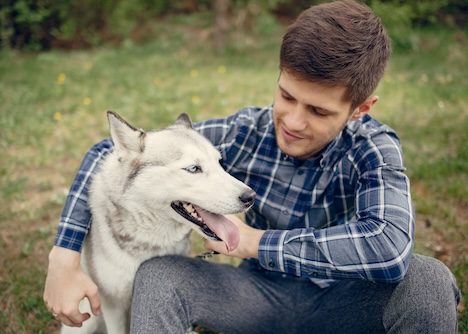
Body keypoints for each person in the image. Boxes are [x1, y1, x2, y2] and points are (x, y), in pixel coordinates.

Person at [43, 1, 460, 333]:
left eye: (317, 110)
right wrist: (63, 260)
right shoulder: (247, 130)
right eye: (286, 96)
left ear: (359, 109)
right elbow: (109, 153)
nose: (293, 122)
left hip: (345, 301)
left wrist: (254, 242)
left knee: (429, 280)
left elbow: (388, 248)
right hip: (254, 297)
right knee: (159, 276)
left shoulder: (374, 148)